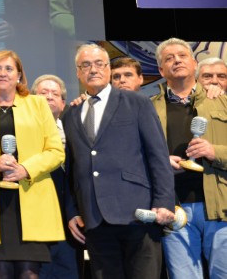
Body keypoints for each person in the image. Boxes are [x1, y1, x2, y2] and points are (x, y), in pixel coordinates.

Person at [64, 43, 174, 279]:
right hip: (94, 217)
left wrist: (163, 201)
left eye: (99, 64)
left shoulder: (137, 103)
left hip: (138, 212)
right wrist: (73, 211)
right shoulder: (71, 113)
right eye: (85, 65)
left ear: (107, 68)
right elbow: (72, 169)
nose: (92, 69)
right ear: (78, 72)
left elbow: (158, 156)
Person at [0, 50, 64, 279]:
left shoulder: (37, 104)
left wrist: (25, 169)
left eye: (9, 68)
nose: (3, 73)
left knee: (29, 274)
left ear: (19, 75)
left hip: (32, 199)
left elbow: (56, 151)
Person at [150, 38, 227, 279]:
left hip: (220, 207)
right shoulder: (149, 108)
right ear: (162, 71)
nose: (177, 61)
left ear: (195, 64)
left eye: (182, 56)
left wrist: (215, 152)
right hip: (174, 208)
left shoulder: (222, 101)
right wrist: (160, 162)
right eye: (169, 58)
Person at [30, 74, 83, 279]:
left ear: (63, 103)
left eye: (55, 94)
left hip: (70, 220)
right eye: (43, 93)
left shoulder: (77, 130)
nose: (49, 97)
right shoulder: (21, 134)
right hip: (36, 220)